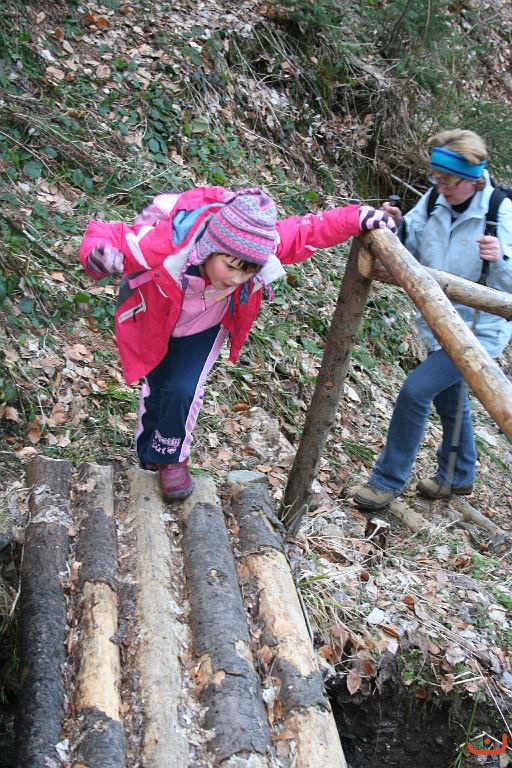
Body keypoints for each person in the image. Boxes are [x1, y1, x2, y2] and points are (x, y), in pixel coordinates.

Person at [80, 186, 396, 500]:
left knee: (183, 390)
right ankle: (149, 450)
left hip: (204, 328)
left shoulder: (261, 244)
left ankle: (171, 458)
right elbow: (111, 234)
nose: (235, 278)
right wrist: (99, 255)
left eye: (247, 272)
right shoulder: (168, 245)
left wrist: (360, 217)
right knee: (158, 388)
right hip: (157, 322)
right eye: (229, 266)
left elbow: (309, 229)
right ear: (210, 248)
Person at [354, 129, 512, 511]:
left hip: (478, 330)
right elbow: (410, 246)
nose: (442, 188)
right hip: (436, 320)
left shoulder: (501, 211)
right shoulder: (433, 200)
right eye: (437, 179)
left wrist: (502, 259)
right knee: (448, 396)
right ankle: (458, 474)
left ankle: (386, 480)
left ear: (472, 177)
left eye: (449, 182)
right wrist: (396, 224)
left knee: (416, 391)